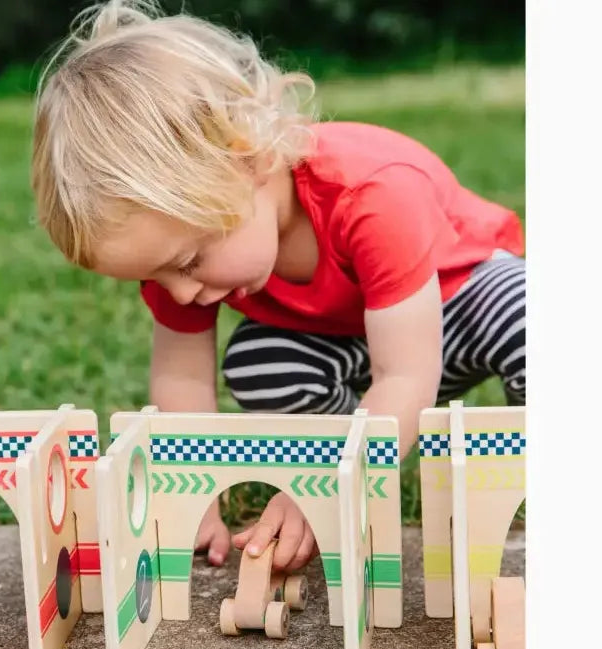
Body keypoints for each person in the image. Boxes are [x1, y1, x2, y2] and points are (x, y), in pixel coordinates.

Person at [30, 0, 525, 573]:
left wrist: (327, 486)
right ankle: (342, 447)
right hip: (349, 347)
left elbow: (407, 373)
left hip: (454, 308)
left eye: (190, 261)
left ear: (252, 161)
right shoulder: (185, 251)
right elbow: (182, 374)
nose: (180, 293)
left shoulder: (373, 195)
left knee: (524, 312)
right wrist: (191, 498)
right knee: (260, 360)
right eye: (153, 276)